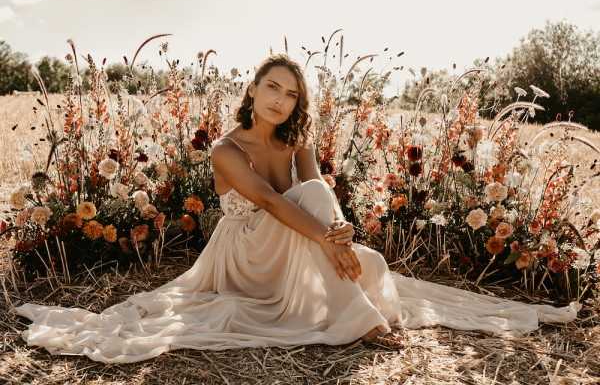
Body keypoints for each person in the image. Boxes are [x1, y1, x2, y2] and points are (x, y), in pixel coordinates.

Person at [13, 54, 580, 364]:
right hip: (245, 255)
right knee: (336, 235)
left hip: (298, 238)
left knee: (376, 267)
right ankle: (357, 320)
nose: (281, 101)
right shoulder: (226, 148)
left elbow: (317, 191)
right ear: (254, 87)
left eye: (291, 95)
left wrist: (338, 232)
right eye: (273, 88)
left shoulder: (297, 139)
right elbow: (264, 201)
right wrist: (333, 239)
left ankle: (350, 298)